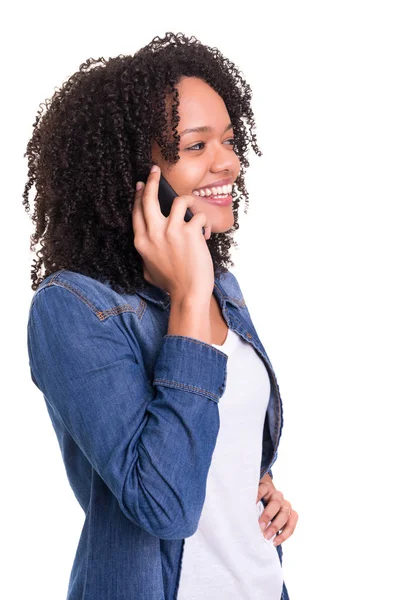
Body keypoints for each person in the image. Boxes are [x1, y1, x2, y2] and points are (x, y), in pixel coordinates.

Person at [23, 32, 298, 600]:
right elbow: (163, 504)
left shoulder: (224, 287)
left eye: (227, 139)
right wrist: (188, 301)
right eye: (196, 147)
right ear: (133, 172)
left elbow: (219, 444)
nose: (230, 161)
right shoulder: (73, 309)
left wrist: (256, 485)